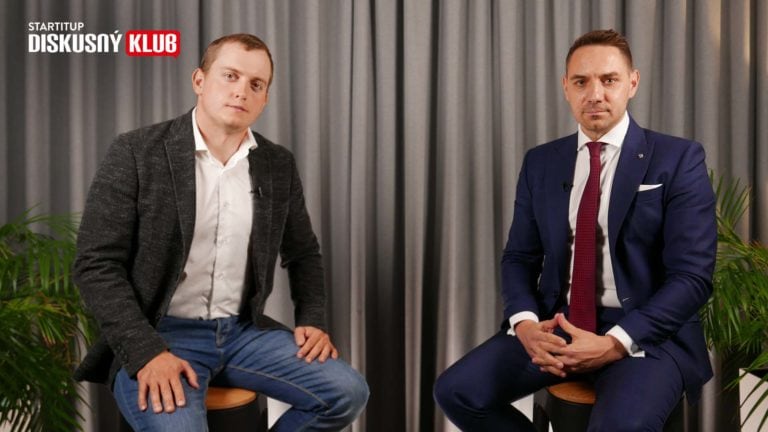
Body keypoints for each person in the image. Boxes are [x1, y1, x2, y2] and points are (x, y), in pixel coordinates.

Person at [74, 33, 368, 431]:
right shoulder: (136, 151)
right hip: (159, 333)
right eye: (230, 76)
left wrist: (312, 319)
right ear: (199, 80)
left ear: (264, 99)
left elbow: (303, 253)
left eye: (256, 84)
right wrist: (145, 351)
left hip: (243, 333)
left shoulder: (277, 164)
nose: (241, 91)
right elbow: (95, 264)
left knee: (347, 392)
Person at [434, 29, 716, 431]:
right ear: (566, 87)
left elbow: (692, 277)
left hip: (646, 334)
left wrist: (616, 341)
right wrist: (525, 323)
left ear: (632, 83)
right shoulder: (541, 162)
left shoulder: (678, 158)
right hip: (558, 325)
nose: (595, 94)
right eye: (582, 82)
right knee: (457, 392)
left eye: (609, 80)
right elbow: (519, 256)